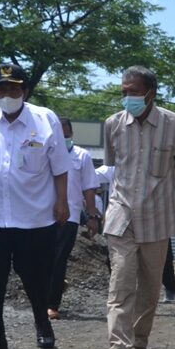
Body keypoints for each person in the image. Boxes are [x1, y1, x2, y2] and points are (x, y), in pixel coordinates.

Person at [0, 63, 70, 349]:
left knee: (36, 276)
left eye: (14, 89)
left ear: (24, 91)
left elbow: (60, 166)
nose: (7, 94)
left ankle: (43, 324)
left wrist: (62, 202)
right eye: (1, 89)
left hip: (36, 216)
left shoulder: (44, 119)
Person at [94, 66, 175, 349]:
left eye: (133, 92)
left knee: (150, 285)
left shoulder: (173, 124)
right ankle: (119, 344)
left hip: (157, 215)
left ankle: (138, 342)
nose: (127, 97)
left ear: (150, 93)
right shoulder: (113, 124)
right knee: (121, 280)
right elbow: (114, 166)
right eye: (123, 92)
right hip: (121, 213)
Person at [46, 118, 101, 320]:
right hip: (41, 214)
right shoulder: (43, 152)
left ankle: (52, 304)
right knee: (40, 258)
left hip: (69, 215)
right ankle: (47, 293)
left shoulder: (82, 156)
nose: (64, 138)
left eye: (67, 135)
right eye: (60, 135)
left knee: (59, 259)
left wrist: (92, 217)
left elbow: (89, 187)